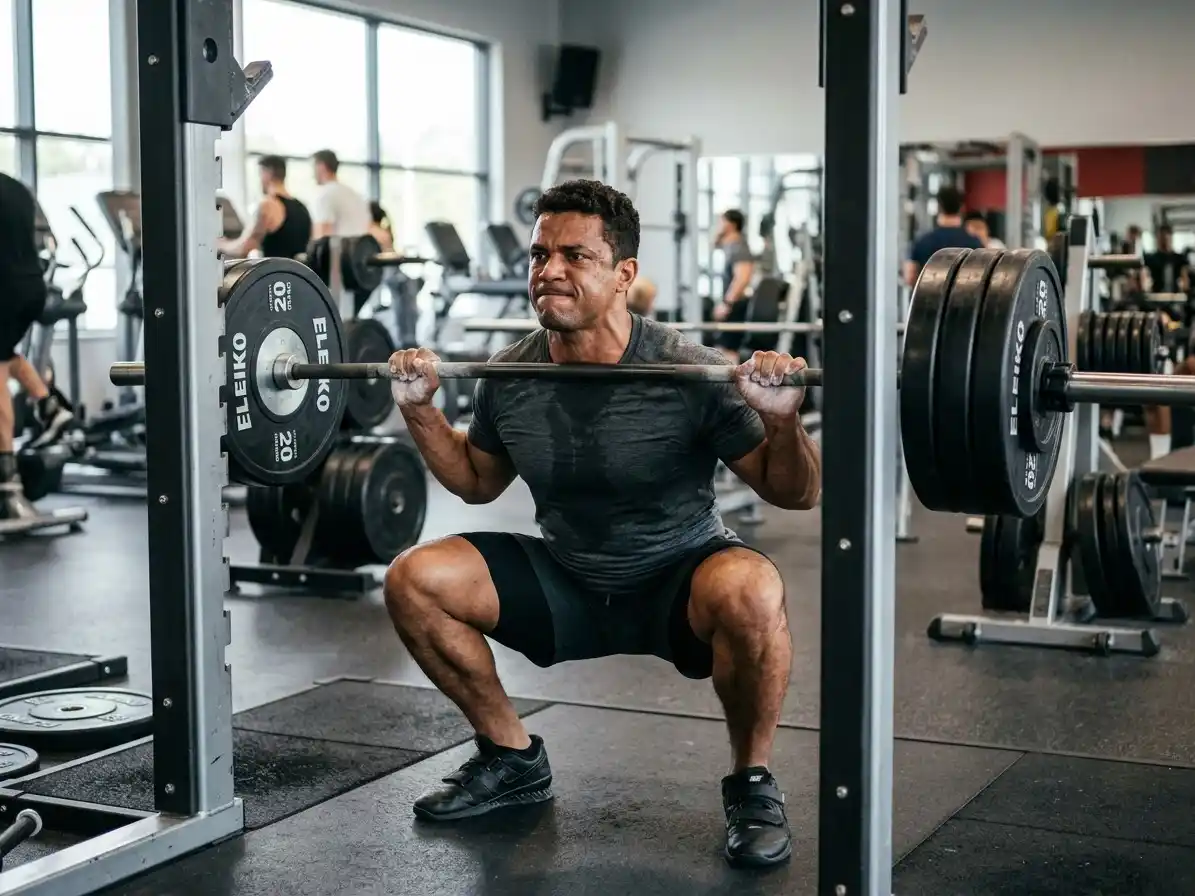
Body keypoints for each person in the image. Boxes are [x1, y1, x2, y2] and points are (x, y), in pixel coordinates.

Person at [383, 179, 820, 869]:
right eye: (539, 254)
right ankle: (511, 756)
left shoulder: (690, 371)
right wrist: (420, 411)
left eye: (574, 256)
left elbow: (793, 493)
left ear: (623, 275)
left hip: (679, 581)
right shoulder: (512, 373)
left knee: (752, 589)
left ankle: (752, 783)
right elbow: (475, 482)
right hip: (568, 582)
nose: (548, 271)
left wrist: (780, 419)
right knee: (414, 579)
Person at [0, 173, 76, 511]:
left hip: (5, 287)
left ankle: (6, 477)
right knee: (5, 355)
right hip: (30, 286)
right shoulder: (13, 186)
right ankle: (50, 407)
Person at [217, 155, 312, 260]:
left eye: (260, 174)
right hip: (299, 275)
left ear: (268, 173)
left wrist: (222, 244)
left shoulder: (268, 205)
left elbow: (244, 248)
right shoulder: (302, 207)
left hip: (274, 274)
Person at [904, 185, 984, 287]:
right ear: (962, 208)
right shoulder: (975, 243)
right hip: (964, 301)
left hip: (929, 300)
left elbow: (910, 278)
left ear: (939, 207)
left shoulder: (923, 242)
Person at [710, 209, 758, 362]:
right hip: (731, 304)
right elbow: (714, 242)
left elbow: (742, 278)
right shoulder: (730, 246)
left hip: (736, 305)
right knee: (721, 350)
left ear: (730, 224)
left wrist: (726, 303)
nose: (718, 225)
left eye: (721, 221)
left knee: (728, 352)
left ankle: (731, 385)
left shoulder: (739, 247)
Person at [310, 150, 372, 239]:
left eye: (313, 167)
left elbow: (323, 237)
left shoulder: (325, 195)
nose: (312, 174)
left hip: (339, 250)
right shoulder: (356, 195)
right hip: (361, 250)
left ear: (321, 167)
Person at [1144, 225, 1190, 295]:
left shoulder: (1180, 258)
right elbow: (1146, 279)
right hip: (1156, 296)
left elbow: (1185, 279)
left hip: (1176, 296)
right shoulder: (1150, 259)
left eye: (1165, 238)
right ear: (1157, 239)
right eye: (1161, 238)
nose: (1163, 241)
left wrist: (1184, 292)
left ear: (1170, 238)